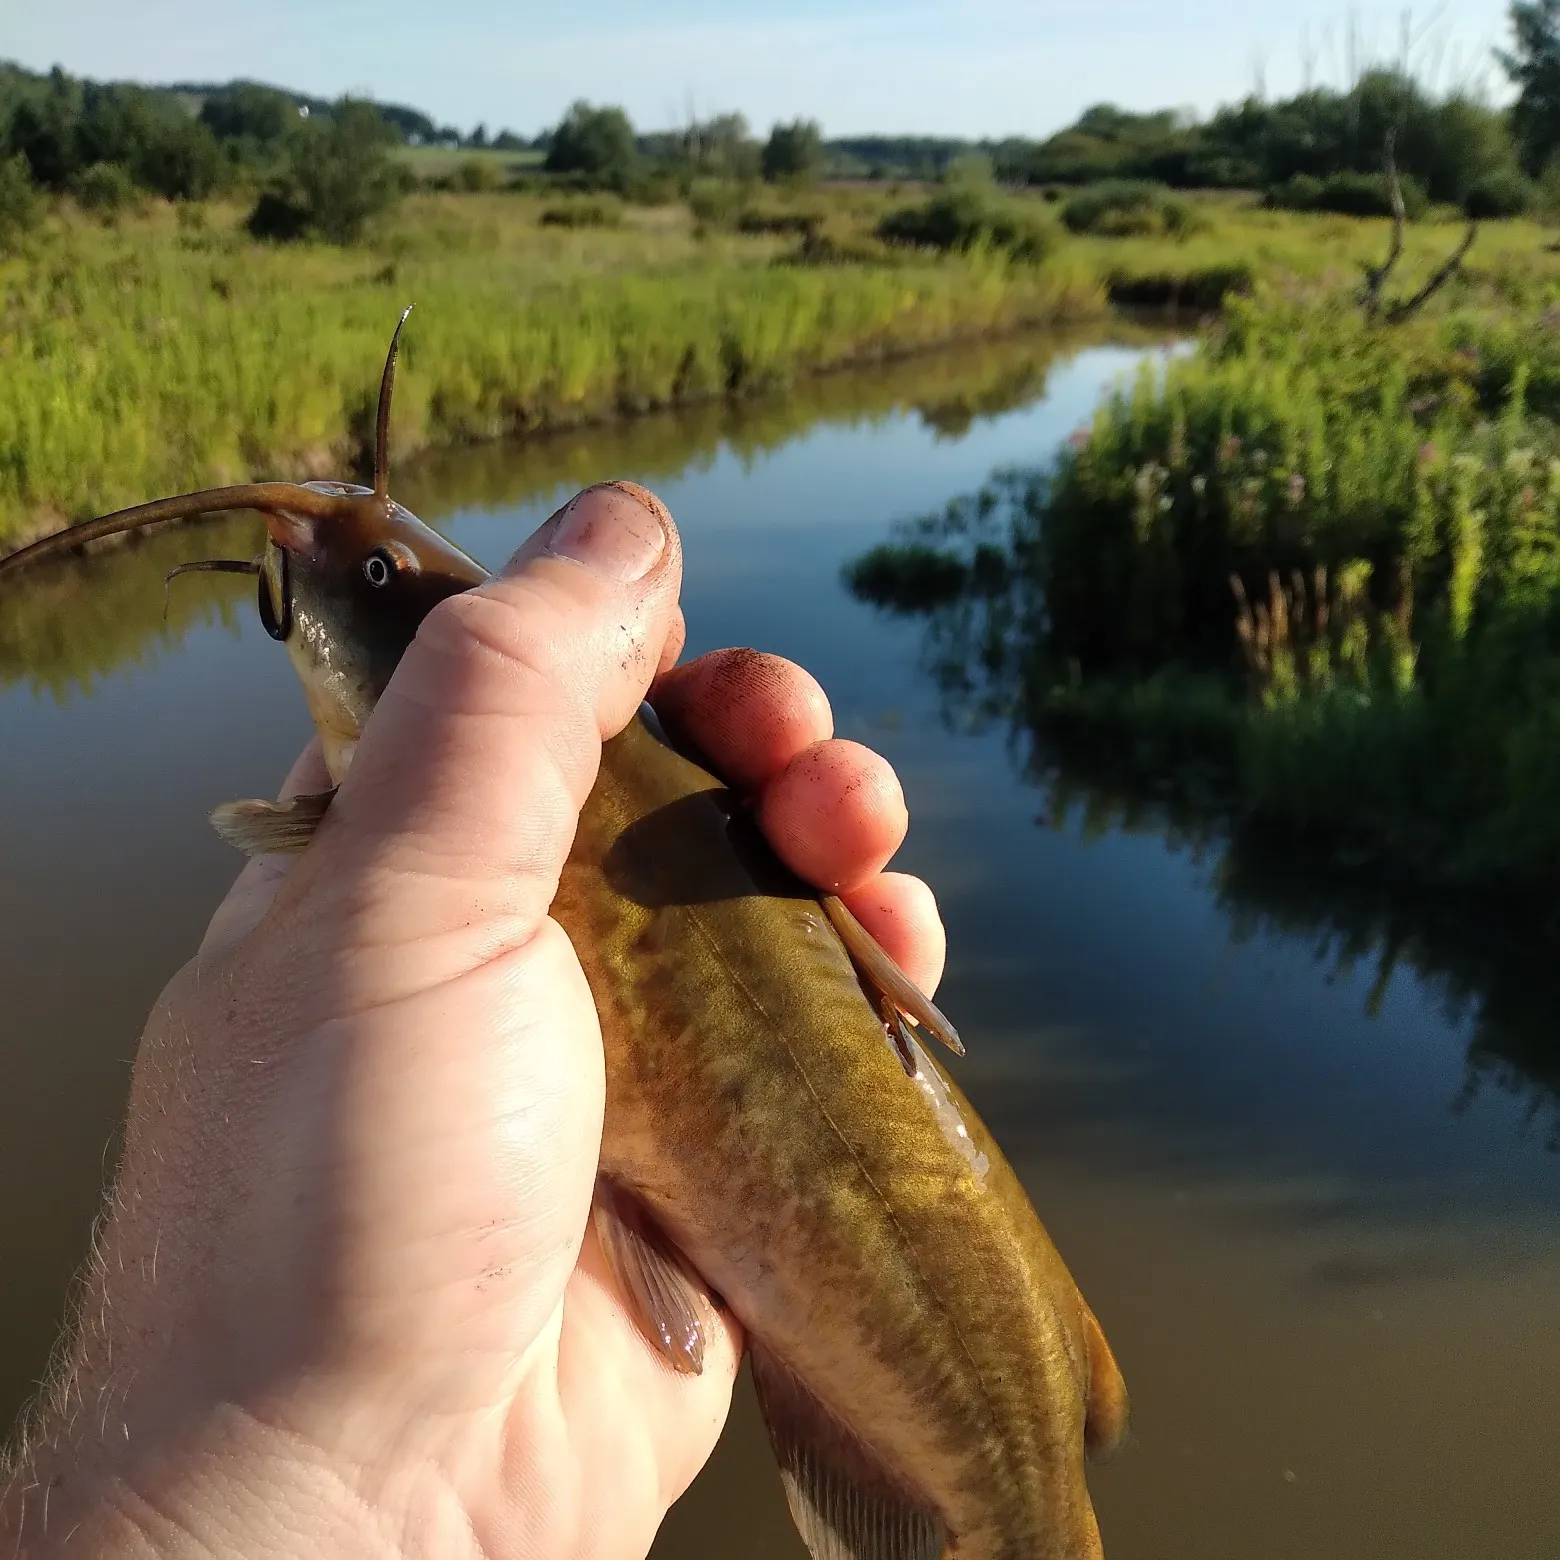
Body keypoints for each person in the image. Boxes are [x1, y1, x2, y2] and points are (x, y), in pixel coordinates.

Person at [0, 483, 947, 1558]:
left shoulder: (419, 812)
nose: (350, 555)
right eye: (379, 579)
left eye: (383, 576)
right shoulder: (411, 851)